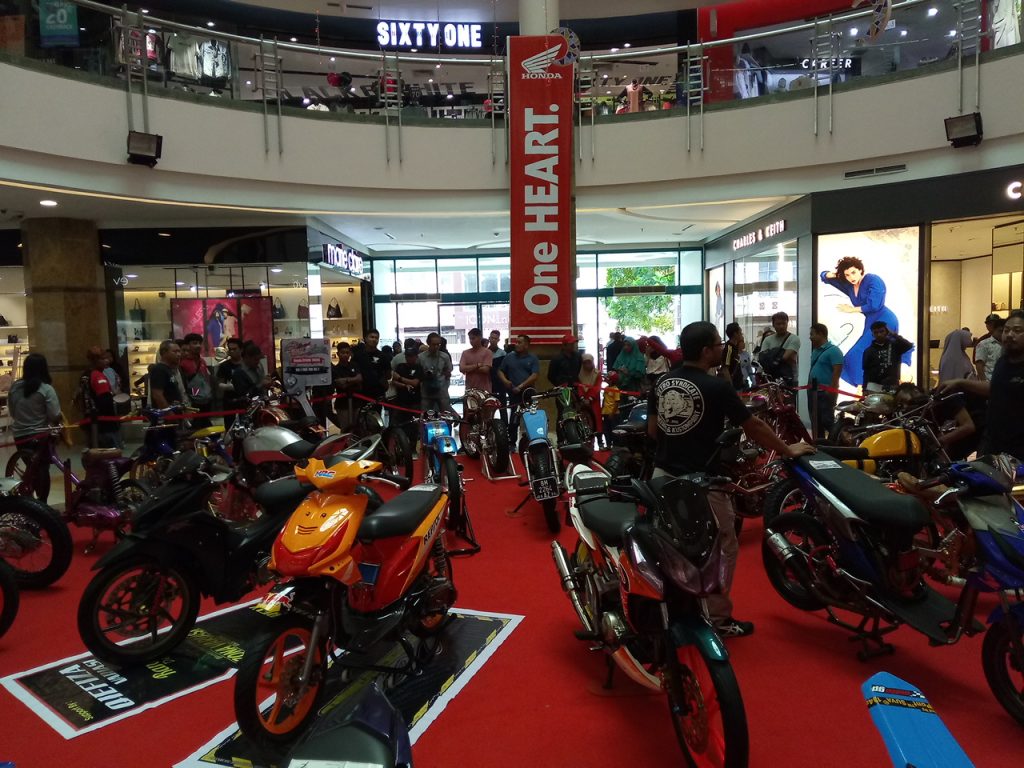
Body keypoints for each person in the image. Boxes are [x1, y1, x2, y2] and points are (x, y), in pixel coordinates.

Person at [647, 322, 814, 637]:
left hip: (662, 475)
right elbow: (754, 426)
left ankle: (675, 609)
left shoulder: (663, 382)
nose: (722, 348)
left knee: (672, 545)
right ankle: (718, 619)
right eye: (717, 344)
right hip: (702, 482)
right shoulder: (716, 387)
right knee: (722, 546)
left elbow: (653, 431)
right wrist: (787, 449)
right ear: (706, 350)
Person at [936, 310, 1024, 460]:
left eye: (1017, 330)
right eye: (1006, 330)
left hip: (1019, 447)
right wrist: (960, 383)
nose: (1009, 335)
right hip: (994, 441)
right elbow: (994, 389)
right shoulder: (1002, 363)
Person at [820, 256, 907, 387]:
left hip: (884, 320)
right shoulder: (849, 285)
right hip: (871, 322)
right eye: (847, 275)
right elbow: (824, 277)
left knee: (857, 354)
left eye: (853, 272)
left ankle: (865, 386)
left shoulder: (873, 279)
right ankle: (868, 386)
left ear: (860, 270)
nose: (851, 277)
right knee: (861, 356)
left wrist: (852, 309)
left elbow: (875, 305)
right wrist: (835, 274)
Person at [9, 353, 63, 502]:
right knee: (42, 468)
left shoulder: (15, 387)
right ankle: (42, 503)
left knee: (32, 466)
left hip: (19, 435)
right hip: (40, 435)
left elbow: (13, 412)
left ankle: (30, 500)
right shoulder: (46, 389)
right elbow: (55, 414)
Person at [808, 323, 844, 439]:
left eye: (812, 334)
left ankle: (838, 441)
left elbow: (837, 373)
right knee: (815, 421)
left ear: (821, 334)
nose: (810, 337)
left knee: (827, 420)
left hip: (826, 392)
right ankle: (819, 444)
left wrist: (832, 390)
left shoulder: (834, 351)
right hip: (813, 391)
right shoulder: (815, 351)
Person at [83, 346, 121, 448]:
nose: (107, 361)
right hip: (104, 424)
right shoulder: (98, 376)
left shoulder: (86, 374)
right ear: (95, 360)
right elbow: (105, 400)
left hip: (92, 421)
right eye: (103, 358)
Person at [862, 321, 914, 392]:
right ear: (872, 334)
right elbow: (866, 371)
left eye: (881, 331)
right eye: (876, 332)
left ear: (886, 332)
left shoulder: (895, 346)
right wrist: (864, 389)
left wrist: (894, 334)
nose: (879, 334)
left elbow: (908, 345)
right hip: (874, 386)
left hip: (892, 385)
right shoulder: (868, 351)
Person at [390, 341, 424, 448]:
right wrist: (405, 385)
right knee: (399, 424)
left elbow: (415, 383)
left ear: (416, 357)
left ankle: (413, 446)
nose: (409, 358)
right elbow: (393, 381)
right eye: (407, 356)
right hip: (401, 401)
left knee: (414, 425)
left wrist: (400, 378)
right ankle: (401, 446)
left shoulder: (419, 368)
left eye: (411, 356)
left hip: (415, 401)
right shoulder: (400, 366)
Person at [755, 311, 800, 385]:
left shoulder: (794, 338)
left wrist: (771, 355)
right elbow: (762, 359)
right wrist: (778, 355)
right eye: (778, 324)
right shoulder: (767, 339)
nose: (781, 326)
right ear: (773, 325)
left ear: (787, 323)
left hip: (789, 379)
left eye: (784, 323)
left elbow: (784, 357)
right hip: (770, 379)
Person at [179, 332, 213, 426]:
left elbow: (206, 379)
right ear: (187, 345)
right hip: (193, 402)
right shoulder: (183, 363)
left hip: (206, 400)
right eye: (194, 343)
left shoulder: (202, 361)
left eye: (199, 343)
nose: (198, 346)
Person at [331, 342, 363, 430]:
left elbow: (360, 378)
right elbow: (342, 385)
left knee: (357, 428)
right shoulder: (335, 369)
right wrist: (354, 380)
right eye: (343, 352)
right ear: (338, 354)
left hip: (356, 402)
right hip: (342, 403)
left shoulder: (354, 365)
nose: (345, 355)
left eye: (347, 352)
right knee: (345, 429)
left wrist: (346, 380)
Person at [418, 332, 453, 413]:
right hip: (426, 392)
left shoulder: (444, 357)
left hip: (442, 392)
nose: (436, 347)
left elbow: (449, 371)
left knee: (446, 415)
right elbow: (418, 374)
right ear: (428, 343)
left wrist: (446, 376)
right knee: (426, 415)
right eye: (434, 344)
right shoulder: (421, 357)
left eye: (438, 344)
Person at [576, 353, 604, 448]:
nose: (587, 365)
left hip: (594, 401)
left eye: (589, 362)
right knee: (585, 421)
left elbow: (597, 387)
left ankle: (600, 442)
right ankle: (588, 443)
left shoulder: (597, 374)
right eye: (585, 363)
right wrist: (582, 398)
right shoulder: (579, 374)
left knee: (597, 420)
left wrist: (590, 399)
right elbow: (579, 387)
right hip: (583, 402)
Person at [148, 339, 185, 409]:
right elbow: (157, 395)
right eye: (175, 351)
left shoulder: (169, 370)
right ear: (164, 352)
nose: (179, 354)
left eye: (179, 351)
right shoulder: (159, 369)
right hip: (167, 414)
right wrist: (169, 413)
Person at [216, 337, 243, 429]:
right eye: (230, 349)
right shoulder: (224, 365)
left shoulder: (247, 364)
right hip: (229, 400)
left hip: (245, 399)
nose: (232, 351)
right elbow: (219, 384)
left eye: (234, 349)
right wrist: (230, 387)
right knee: (229, 426)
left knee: (245, 424)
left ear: (241, 349)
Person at [459, 328, 493, 392]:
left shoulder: (487, 352)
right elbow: (461, 368)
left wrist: (468, 368)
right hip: (470, 389)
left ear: (480, 338)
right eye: (470, 339)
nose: (471, 341)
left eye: (473, 338)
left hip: (484, 390)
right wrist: (477, 365)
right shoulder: (465, 353)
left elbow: (485, 370)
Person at [974, 316, 1005, 381]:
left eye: (1005, 331)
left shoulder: (1007, 344)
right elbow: (979, 365)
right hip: (989, 380)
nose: (1002, 334)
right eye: (1000, 331)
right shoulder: (984, 343)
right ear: (994, 330)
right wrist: (983, 382)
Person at [719, 323, 746, 390]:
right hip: (732, 386)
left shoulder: (735, 347)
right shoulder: (729, 349)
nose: (741, 334)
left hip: (738, 384)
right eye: (740, 332)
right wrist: (731, 387)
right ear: (735, 334)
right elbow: (725, 368)